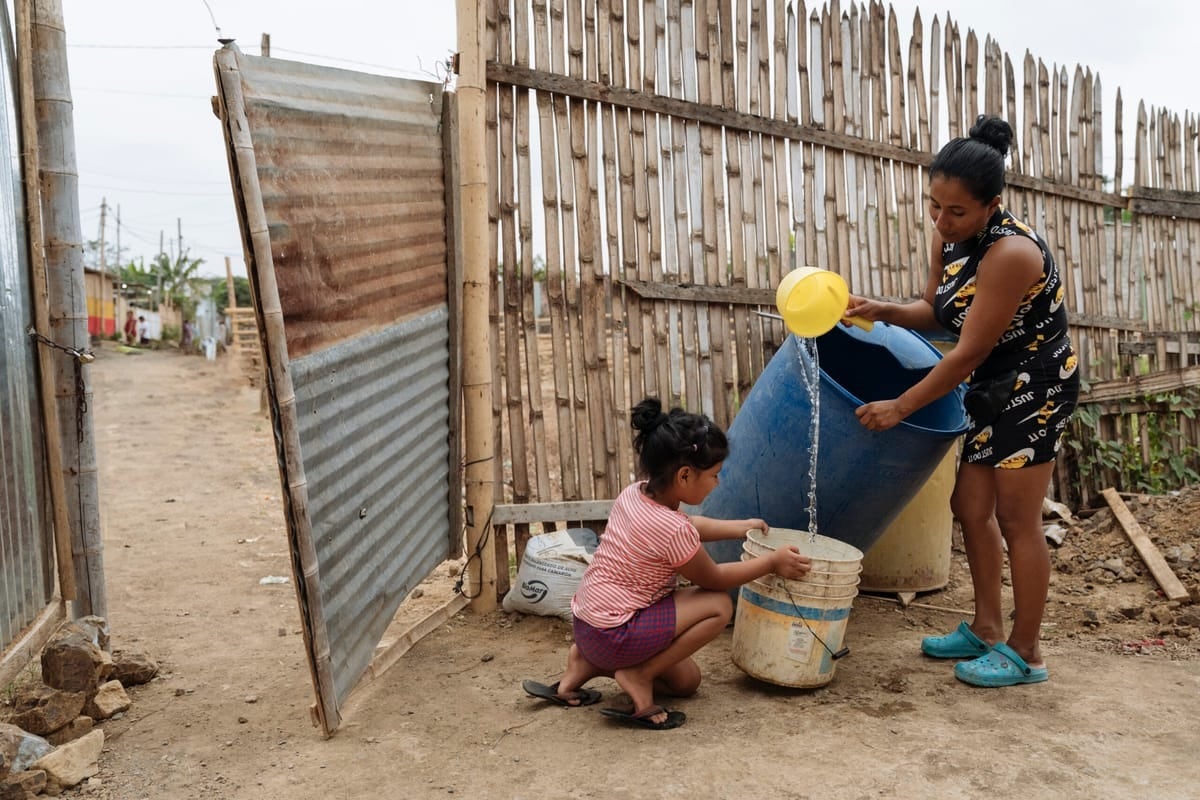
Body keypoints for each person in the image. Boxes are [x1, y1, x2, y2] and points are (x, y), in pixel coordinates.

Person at [845, 115, 1079, 688]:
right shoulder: (950, 240)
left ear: (991, 204)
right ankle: (986, 629)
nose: (942, 221)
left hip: (1035, 385)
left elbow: (968, 351)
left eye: (956, 212)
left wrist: (900, 406)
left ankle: (1027, 652)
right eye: (934, 206)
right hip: (990, 384)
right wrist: (884, 309)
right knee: (969, 507)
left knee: (1016, 518)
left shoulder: (1012, 254)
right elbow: (937, 312)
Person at [522, 398, 811, 729]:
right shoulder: (671, 529)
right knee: (717, 604)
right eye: (715, 475)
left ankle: (583, 666)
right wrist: (771, 562)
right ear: (685, 475)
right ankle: (638, 675)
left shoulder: (634, 495)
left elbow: (688, 528)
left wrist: (740, 525)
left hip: (588, 629)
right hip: (619, 632)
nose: (718, 482)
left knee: (687, 682)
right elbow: (714, 578)